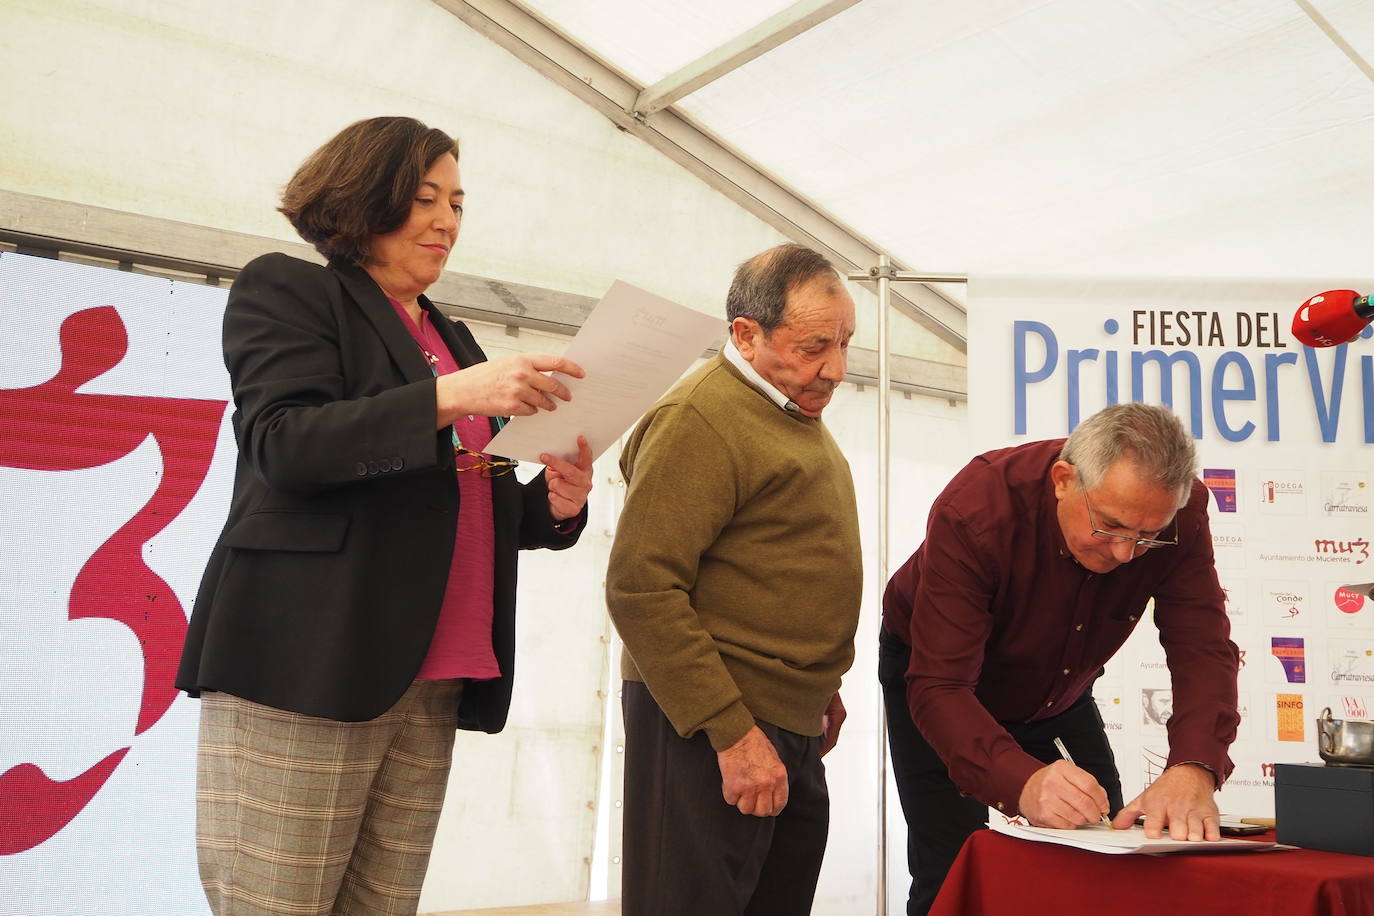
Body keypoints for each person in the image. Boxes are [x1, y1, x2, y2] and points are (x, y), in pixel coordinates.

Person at [176, 116, 593, 916]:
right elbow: (284, 444)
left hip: (434, 674)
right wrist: (452, 395)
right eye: (425, 198)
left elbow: (468, 493)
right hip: (309, 664)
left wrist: (553, 503)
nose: (447, 221)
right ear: (363, 195)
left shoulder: (453, 337)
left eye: (458, 204)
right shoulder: (291, 290)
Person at [879, 402, 1240, 915]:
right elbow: (940, 685)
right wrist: (1022, 782)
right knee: (952, 868)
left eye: (1147, 537)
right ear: (1063, 480)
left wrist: (1194, 766)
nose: (1125, 554)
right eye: (1110, 526)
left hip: (1059, 688)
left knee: (1107, 852)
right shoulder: (977, 506)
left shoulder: (1180, 512)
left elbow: (1202, 647)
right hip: (940, 685)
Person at [605, 243, 862, 916]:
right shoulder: (701, 417)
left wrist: (817, 687)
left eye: (844, 344)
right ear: (746, 335)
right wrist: (730, 731)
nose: (835, 369)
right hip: (715, 724)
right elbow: (640, 588)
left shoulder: (789, 411)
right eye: (813, 347)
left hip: (788, 721)